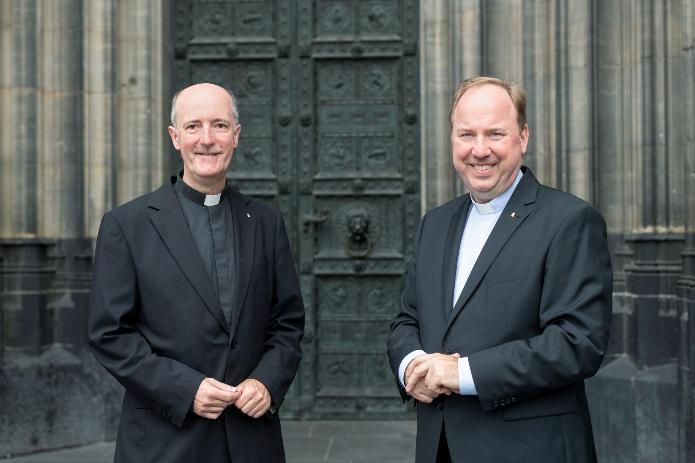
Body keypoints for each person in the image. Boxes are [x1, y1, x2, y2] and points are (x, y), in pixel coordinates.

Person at [387, 76, 612, 463]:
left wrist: (465, 373)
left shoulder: (570, 220)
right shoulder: (435, 223)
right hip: (440, 446)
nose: (479, 150)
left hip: (530, 449)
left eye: (495, 134)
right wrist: (411, 367)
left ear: (523, 137)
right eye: (466, 135)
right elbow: (407, 319)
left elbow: (577, 342)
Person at [88, 83, 304, 462]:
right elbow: (110, 334)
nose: (207, 139)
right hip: (164, 441)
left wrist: (266, 381)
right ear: (175, 137)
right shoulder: (127, 225)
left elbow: (287, 323)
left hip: (251, 440)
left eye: (220, 125)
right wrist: (185, 389)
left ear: (236, 135)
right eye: (193, 127)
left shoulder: (266, 222)